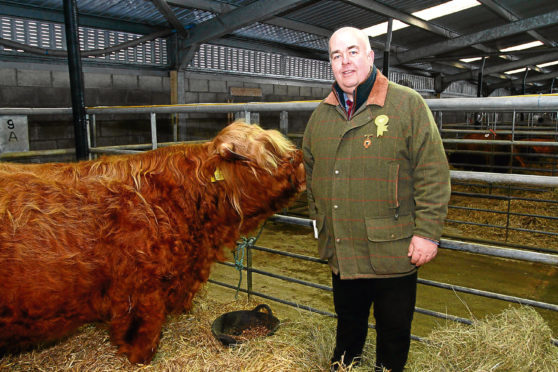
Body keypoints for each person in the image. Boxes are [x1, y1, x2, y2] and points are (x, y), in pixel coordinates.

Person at [302, 27, 451, 372]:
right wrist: (321, 225)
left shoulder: (406, 104)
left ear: (370, 57)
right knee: (347, 328)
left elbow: (433, 170)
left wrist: (427, 232)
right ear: (331, 64)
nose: (345, 61)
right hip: (344, 247)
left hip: (394, 249)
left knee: (393, 333)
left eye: (353, 52)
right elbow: (311, 176)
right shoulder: (321, 116)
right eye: (336, 55)